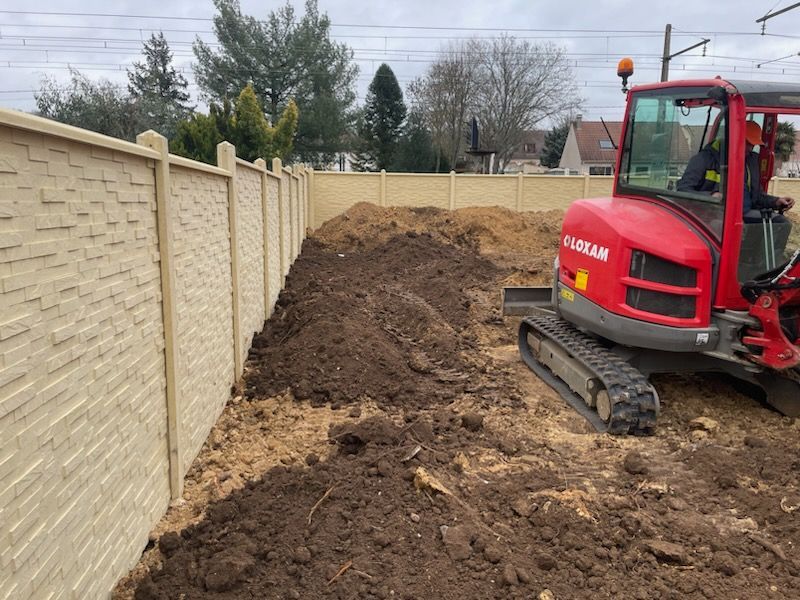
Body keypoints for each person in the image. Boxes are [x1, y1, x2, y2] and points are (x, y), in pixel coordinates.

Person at [676, 121, 795, 223]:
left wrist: (776, 201)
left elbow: (757, 196)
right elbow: (683, 190)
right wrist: (710, 197)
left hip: (744, 213)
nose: (750, 148)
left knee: (781, 222)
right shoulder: (704, 159)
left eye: (752, 145)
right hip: (714, 215)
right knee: (730, 227)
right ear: (734, 138)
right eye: (747, 143)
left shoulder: (751, 161)